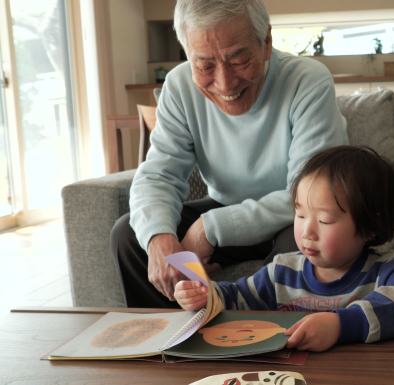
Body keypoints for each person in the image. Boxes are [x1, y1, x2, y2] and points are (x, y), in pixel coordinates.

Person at [110, 0, 348, 308]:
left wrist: (209, 229)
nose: (225, 83)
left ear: (266, 43)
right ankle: (175, 343)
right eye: (205, 66)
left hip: (293, 216)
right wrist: (160, 239)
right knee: (129, 236)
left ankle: (271, 344)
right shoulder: (179, 86)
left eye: (238, 60)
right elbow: (158, 175)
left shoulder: (306, 80)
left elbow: (310, 194)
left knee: (303, 242)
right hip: (227, 208)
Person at [174, 146, 394, 351]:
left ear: (370, 226)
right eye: (300, 215)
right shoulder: (281, 272)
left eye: (324, 220)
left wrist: (340, 325)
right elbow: (237, 297)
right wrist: (205, 295)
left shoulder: (384, 272)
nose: (307, 232)